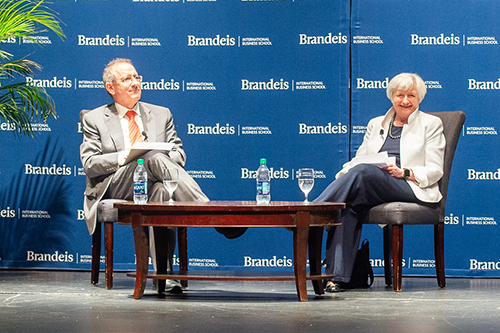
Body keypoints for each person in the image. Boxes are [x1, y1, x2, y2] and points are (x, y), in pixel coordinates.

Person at [80, 58, 241, 293]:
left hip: (156, 179)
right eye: (127, 79)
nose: (135, 83)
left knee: (162, 191)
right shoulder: (94, 118)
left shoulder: (161, 114)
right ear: (111, 88)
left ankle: (163, 278)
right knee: (152, 156)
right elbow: (90, 164)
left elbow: (179, 154)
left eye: (137, 77)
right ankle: (213, 215)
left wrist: (160, 158)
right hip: (117, 184)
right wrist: (127, 156)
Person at [314, 73, 445, 292]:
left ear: (420, 97)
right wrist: (345, 175)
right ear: (391, 96)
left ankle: (313, 212)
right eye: (400, 95)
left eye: (411, 95)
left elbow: (435, 170)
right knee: (348, 205)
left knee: (364, 172)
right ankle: (336, 278)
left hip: (410, 186)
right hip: (373, 183)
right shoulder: (376, 124)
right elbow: (358, 160)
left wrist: (404, 172)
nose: (405, 100)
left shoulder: (431, 124)